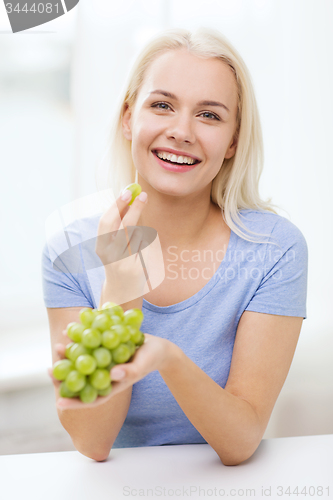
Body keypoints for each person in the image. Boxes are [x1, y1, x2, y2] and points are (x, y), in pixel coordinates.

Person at [42, 27, 308, 466]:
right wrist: (121, 292)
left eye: (209, 115)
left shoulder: (275, 250)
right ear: (129, 118)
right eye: (162, 105)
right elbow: (92, 442)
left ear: (233, 142)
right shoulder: (68, 250)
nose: (181, 131)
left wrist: (166, 358)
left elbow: (240, 442)